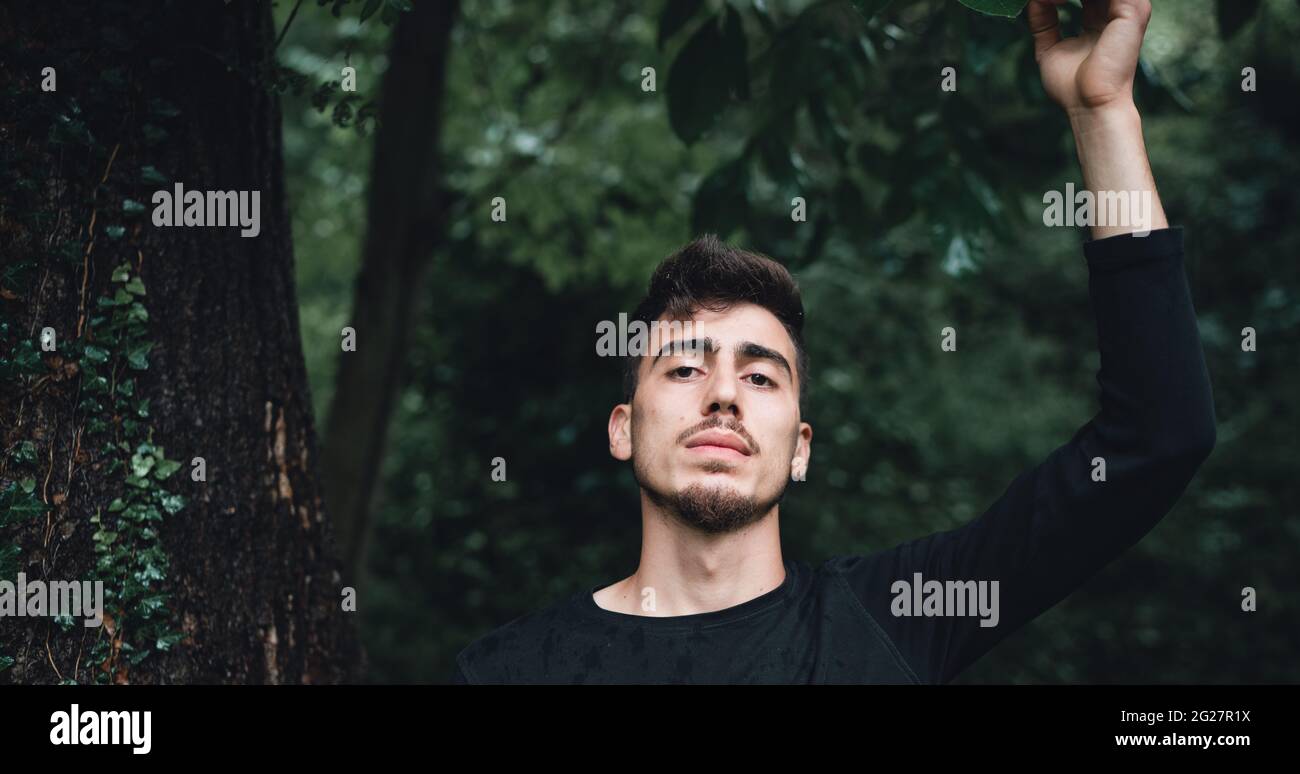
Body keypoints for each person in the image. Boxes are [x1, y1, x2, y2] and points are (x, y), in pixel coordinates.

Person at [451, 0, 1216, 684]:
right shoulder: (510, 669)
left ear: (802, 446)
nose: (722, 393)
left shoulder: (893, 619)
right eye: (685, 366)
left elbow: (1157, 435)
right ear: (623, 427)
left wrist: (1103, 111)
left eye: (761, 378)